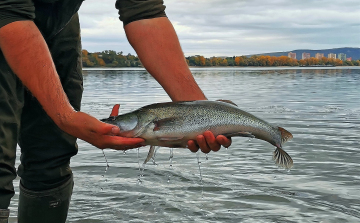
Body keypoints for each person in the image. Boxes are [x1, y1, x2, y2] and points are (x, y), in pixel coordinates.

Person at [0, 0, 231, 222]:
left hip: (59, 20)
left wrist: (200, 113)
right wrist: (65, 115)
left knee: (52, 154)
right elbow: (8, 10)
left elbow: (144, 12)